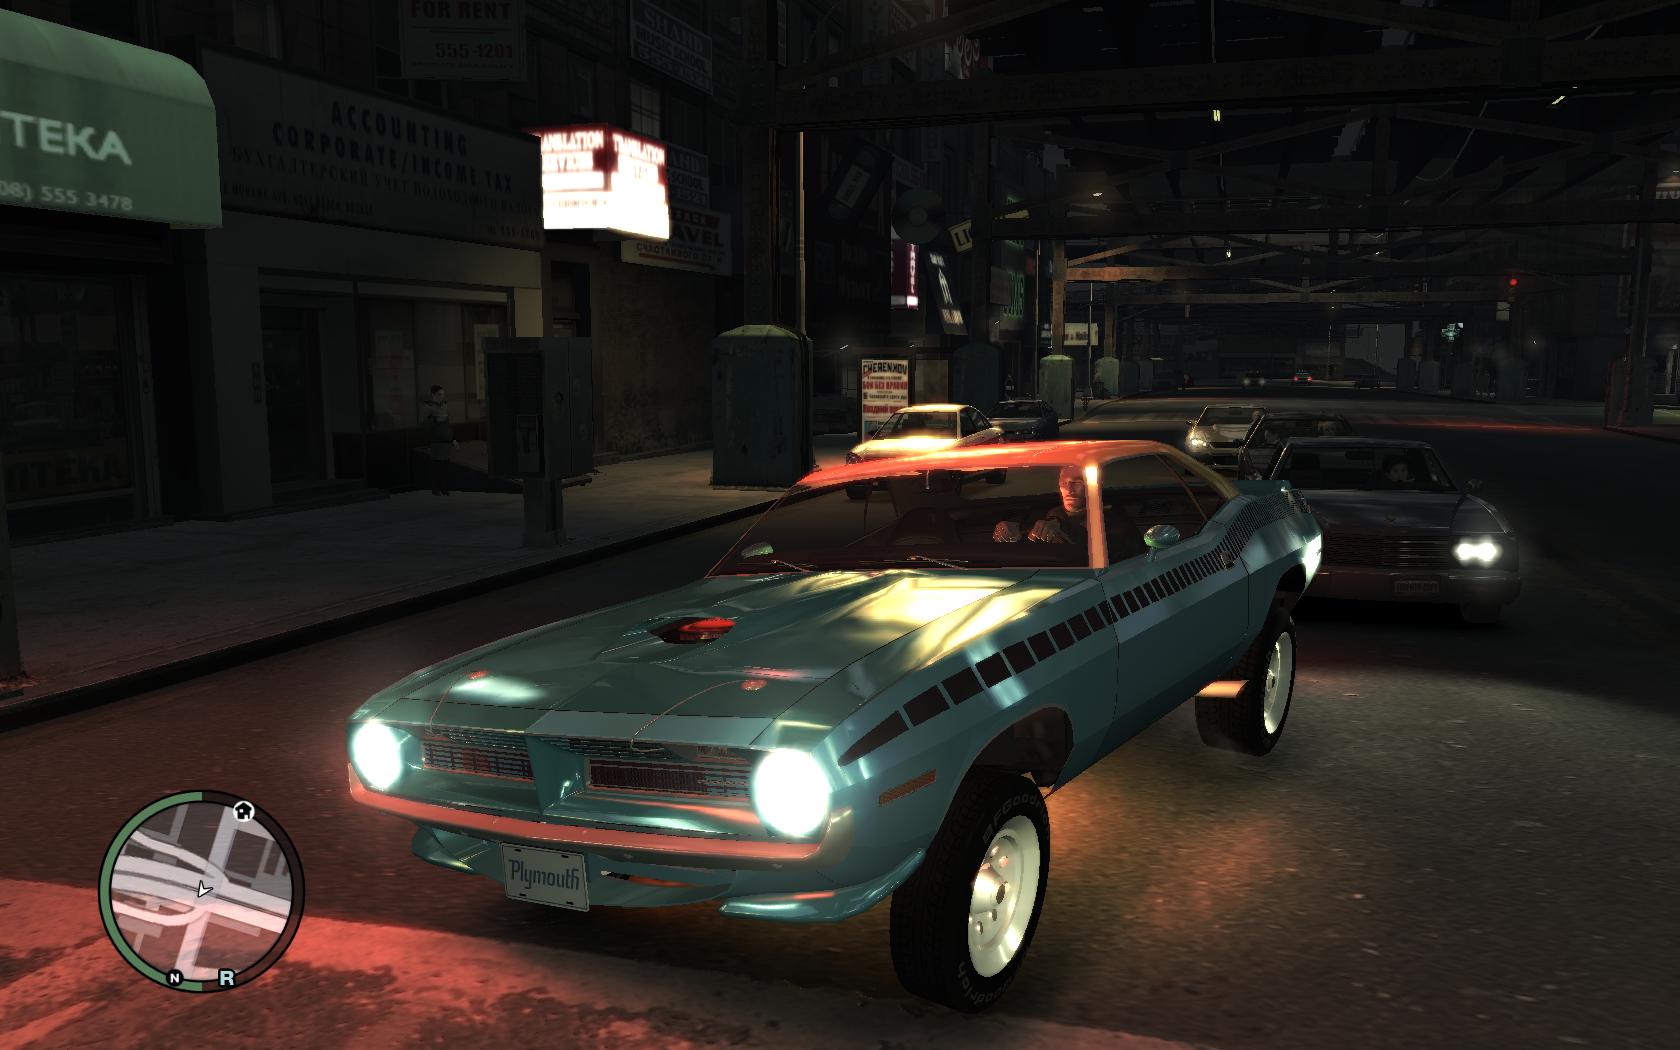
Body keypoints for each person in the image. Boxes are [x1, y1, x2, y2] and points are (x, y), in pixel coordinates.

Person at [992, 465, 1088, 546]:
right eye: (1064, 483)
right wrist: (1014, 528)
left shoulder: (1096, 518)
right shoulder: (1053, 512)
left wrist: (1061, 527)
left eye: (1077, 483)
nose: (1069, 490)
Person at [421, 385, 458, 496]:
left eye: (443, 394)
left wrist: (453, 439)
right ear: (433, 394)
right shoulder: (428, 407)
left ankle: (444, 488)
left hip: (446, 440)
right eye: (439, 394)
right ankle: (435, 488)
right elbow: (423, 424)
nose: (441, 396)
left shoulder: (445, 406)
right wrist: (436, 420)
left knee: (445, 467)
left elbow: (448, 424)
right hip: (436, 441)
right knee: (436, 466)